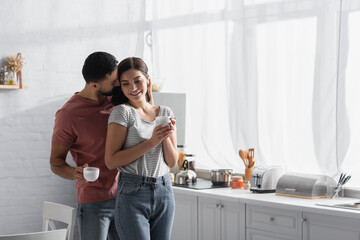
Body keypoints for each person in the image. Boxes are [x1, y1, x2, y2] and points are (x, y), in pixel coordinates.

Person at [50, 52, 153, 240]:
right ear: (94, 85)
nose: (118, 85)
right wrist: (75, 173)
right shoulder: (68, 115)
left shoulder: (118, 101)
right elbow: (55, 162)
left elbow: (144, 111)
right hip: (95, 202)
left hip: (129, 196)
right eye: (114, 82)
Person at [105, 57, 178, 240]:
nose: (133, 88)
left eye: (137, 81)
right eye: (126, 84)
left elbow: (172, 161)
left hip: (164, 190)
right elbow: (111, 161)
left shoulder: (165, 113)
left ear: (148, 80)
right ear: (120, 87)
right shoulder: (123, 112)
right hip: (132, 192)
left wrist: (165, 135)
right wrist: (152, 141)